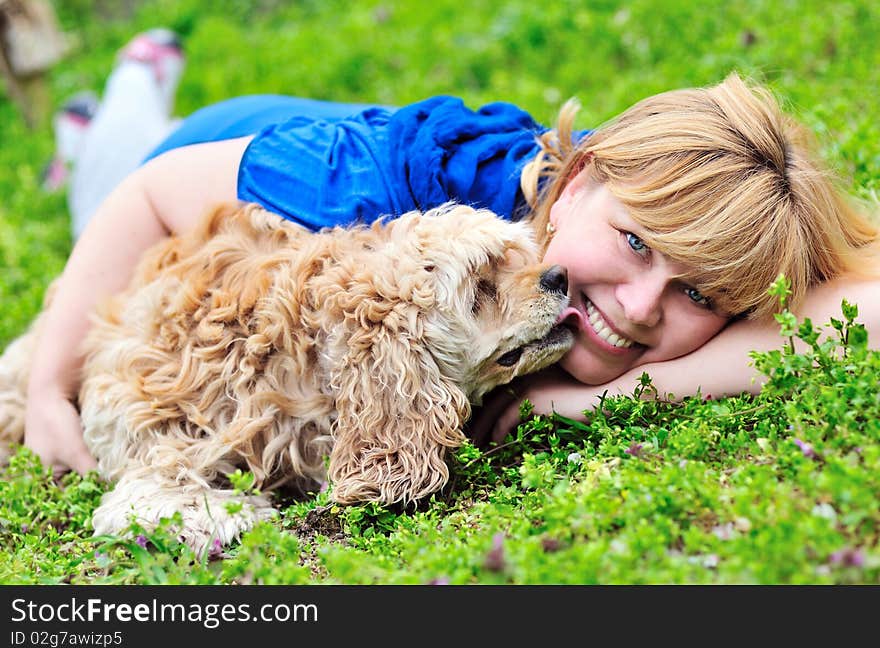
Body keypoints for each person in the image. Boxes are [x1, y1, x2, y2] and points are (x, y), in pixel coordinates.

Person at [24, 29, 880, 474]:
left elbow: (866, 317)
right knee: (104, 181)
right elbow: (152, 196)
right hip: (218, 160)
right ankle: (124, 98)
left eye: (698, 296)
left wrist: (593, 402)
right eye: (634, 242)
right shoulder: (384, 189)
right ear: (575, 180)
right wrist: (43, 384)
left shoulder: (678, 254)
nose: (642, 305)